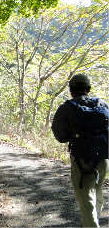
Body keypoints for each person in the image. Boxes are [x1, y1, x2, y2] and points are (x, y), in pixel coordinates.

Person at [52, 74, 108, 227]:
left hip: (81, 158)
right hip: (103, 157)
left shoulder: (67, 107)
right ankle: (95, 220)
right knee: (97, 191)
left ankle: (92, 224)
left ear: (71, 90)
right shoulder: (102, 104)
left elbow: (59, 134)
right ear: (89, 89)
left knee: (85, 199)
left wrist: (72, 136)